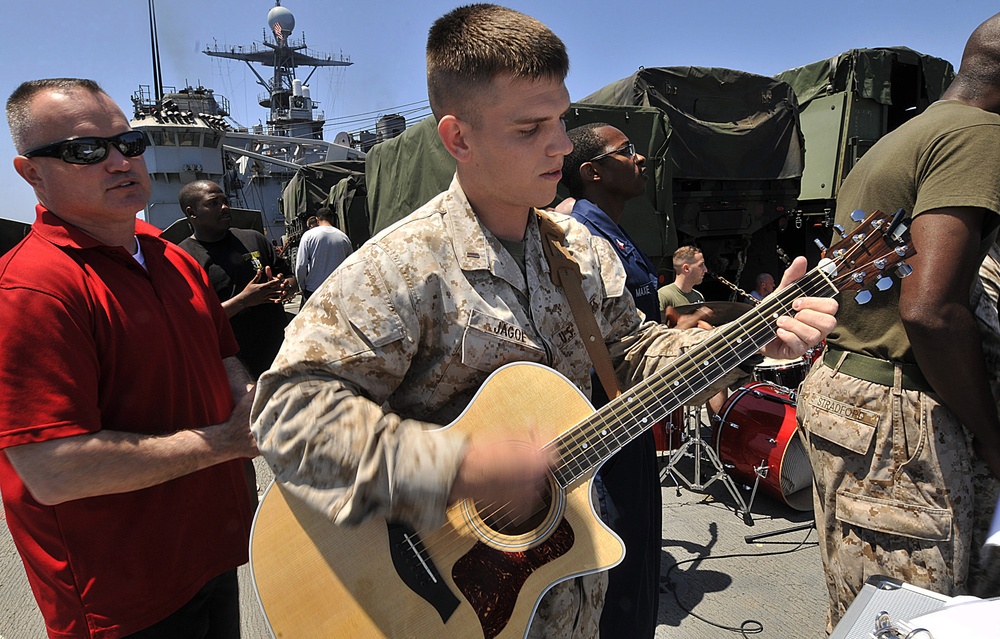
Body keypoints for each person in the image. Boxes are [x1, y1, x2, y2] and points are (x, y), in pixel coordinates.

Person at [250, 5, 837, 638]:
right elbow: (286, 416)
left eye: (560, 119)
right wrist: (458, 467)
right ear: (459, 139)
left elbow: (631, 355)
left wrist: (749, 339)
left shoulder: (581, 250)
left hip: (566, 597)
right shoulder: (400, 268)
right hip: (439, 609)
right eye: (530, 129)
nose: (560, 145)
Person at [0, 78, 258, 638]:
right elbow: (52, 469)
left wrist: (249, 402)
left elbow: (221, 355)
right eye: (85, 150)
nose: (119, 161)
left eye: (129, 142)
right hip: (124, 595)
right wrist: (226, 442)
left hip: (211, 554)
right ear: (31, 173)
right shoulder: (32, 289)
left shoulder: (172, 257)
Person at [796, 12, 1000, 632]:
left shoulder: (906, 135)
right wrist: (993, 437)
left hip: (853, 397)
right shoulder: (979, 135)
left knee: (865, 614)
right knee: (916, 620)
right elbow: (930, 310)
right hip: (902, 418)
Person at [560, 122, 660, 637]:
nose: (641, 159)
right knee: (619, 559)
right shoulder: (582, 238)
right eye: (627, 151)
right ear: (592, 172)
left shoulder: (610, 231)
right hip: (606, 424)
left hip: (632, 412)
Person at [178, 179, 296, 379]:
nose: (224, 207)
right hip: (232, 368)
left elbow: (290, 278)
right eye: (213, 203)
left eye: (225, 201)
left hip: (280, 356)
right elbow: (193, 323)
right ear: (192, 213)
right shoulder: (183, 258)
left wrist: (283, 287)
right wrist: (244, 300)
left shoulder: (254, 239)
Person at [294, 206, 353, 304]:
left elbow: (300, 265)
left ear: (317, 220)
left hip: (314, 289)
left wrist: (302, 286)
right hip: (337, 290)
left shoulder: (309, 235)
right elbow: (350, 265)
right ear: (332, 219)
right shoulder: (344, 238)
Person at [657, 245, 708, 324]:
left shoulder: (698, 296)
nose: (705, 270)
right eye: (701, 265)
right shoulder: (664, 295)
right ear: (686, 268)